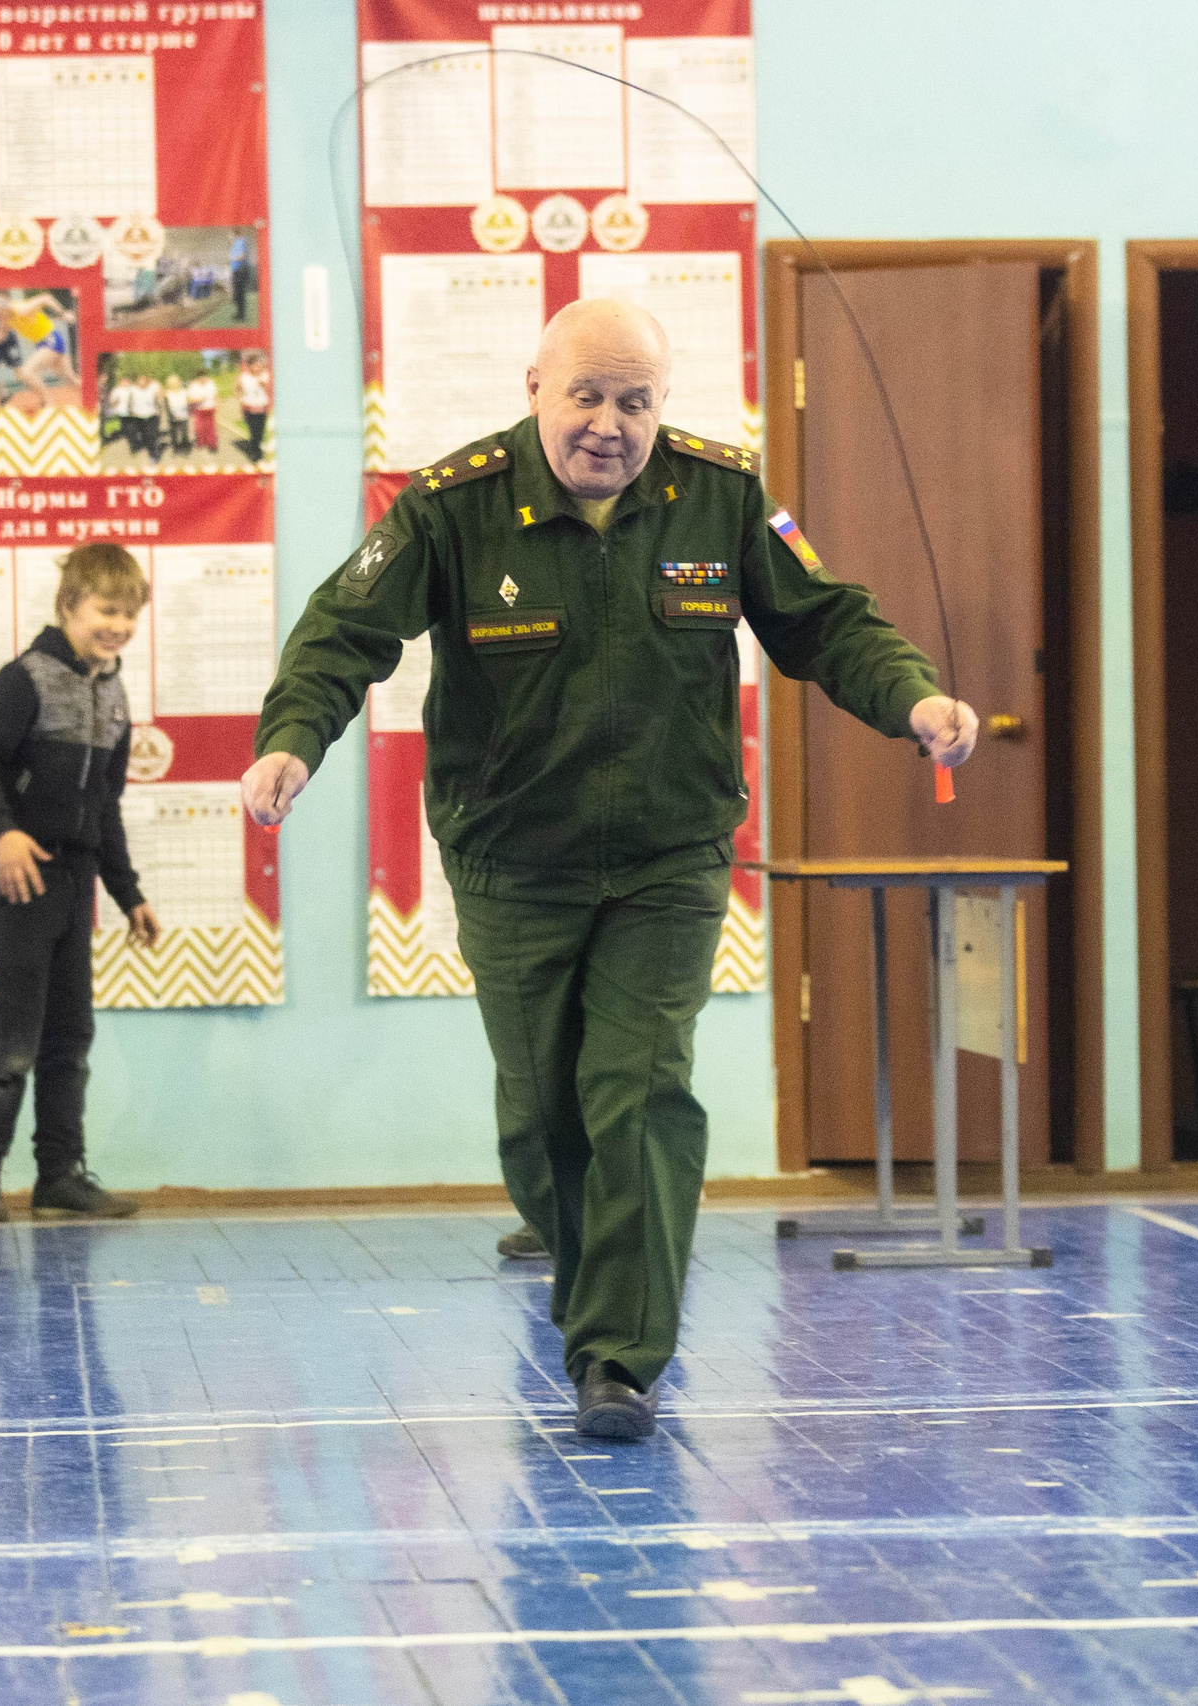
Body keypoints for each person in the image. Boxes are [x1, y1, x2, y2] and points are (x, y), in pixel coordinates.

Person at [243, 300, 980, 1439]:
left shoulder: (721, 496)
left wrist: (916, 700)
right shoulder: (451, 506)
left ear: (661, 404)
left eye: (634, 401)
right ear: (534, 386)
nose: (608, 424)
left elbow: (829, 623)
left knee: (636, 1092)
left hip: (668, 857)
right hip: (511, 858)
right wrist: (292, 740)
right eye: (585, 395)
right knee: (544, 1115)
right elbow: (343, 634)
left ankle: (619, 1358)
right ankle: (601, 1298)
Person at [0, 544, 164, 1223]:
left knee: (71, 1033)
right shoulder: (26, 678)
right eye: (107, 610)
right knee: (16, 1032)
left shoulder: (114, 692)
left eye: (129, 615)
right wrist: (0, 832)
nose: (119, 626)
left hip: (74, 879)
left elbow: (105, 805)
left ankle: (59, 1175)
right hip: (17, 873)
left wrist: (129, 894)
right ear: (69, 605)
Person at [236, 351, 271, 467]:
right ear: (249, 366)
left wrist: (263, 384)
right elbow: (237, 389)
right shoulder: (243, 377)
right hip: (249, 408)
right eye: (255, 365)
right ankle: (257, 456)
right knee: (254, 431)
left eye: (259, 365)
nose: (258, 368)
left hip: (262, 408)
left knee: (260, 432)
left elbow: (270, 390)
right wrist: (240, 399)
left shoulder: (265, 375)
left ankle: (255, 449)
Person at [124, 372, 165, 466]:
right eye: (140, 381)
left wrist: (158, 410)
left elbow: (157, 401)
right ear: (137, 382)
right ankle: (140, 447)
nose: (142, 383)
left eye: (144, 381)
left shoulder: (151, 390)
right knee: (143, 435)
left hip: (151, 416)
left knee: (152, 436)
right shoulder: (133, 390)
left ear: (147, 382)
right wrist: (131, 412)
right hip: (138, 417)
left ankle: (153, 455)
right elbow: (129, 403)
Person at [187, 372, 221, 461]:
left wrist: (217, 405)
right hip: (199, 409)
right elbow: (189, 399)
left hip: (210, 408)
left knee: (211, 427)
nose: (203, 379)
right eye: (201, 377)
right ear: (198, 378)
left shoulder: (211, 384)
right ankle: (201, 442)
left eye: (204, 377)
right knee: (199, 428)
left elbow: (216, 396)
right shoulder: (193, 386)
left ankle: (212, 444)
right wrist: (199, 399)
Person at [163, 369, 193, 459]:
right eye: (172, 383)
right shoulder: (167, 393)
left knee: (184, 434)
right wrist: (171, 416)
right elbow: (167, 407)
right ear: (169, 384)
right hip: (172, 417)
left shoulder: (184, 391)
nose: (174, 384)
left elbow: (189, 402)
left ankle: (185, 450)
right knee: (174, 435)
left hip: (183, 416)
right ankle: (175, 450)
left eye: (176, 382)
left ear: (179, 383)